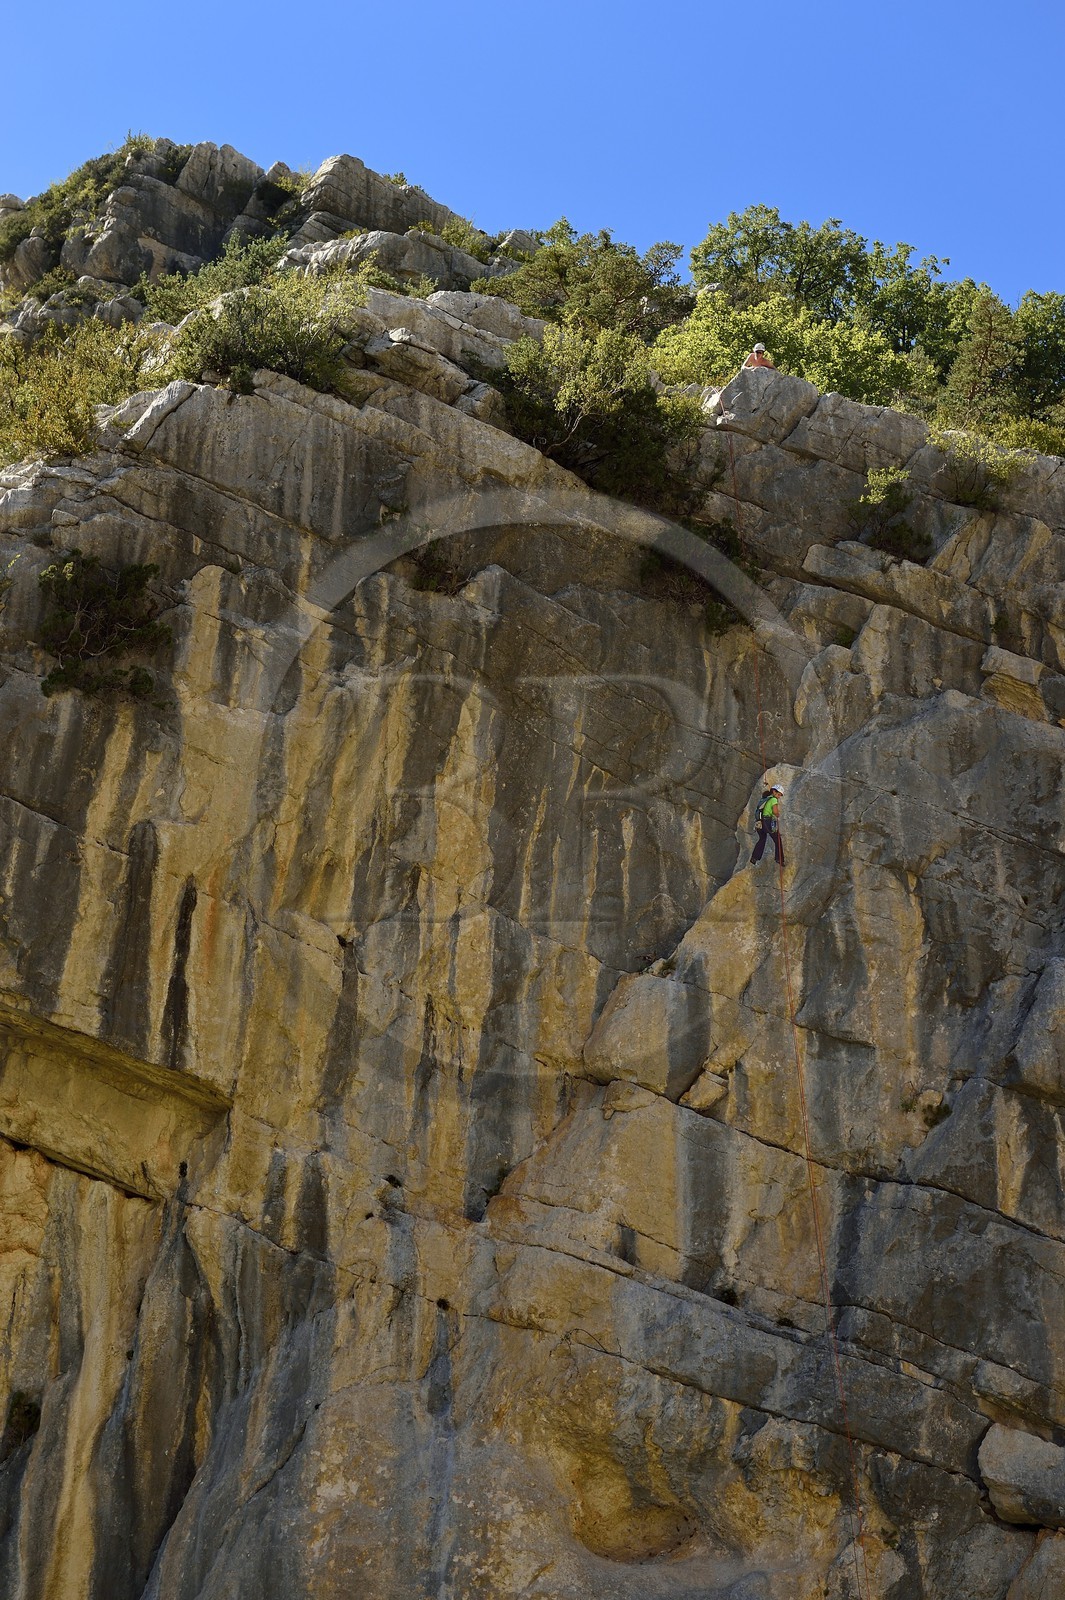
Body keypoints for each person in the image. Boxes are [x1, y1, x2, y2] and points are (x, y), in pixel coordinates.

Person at [750, 785, 785, 866]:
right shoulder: (773, 799)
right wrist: (777, 815)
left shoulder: (764, 799)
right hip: (767, 822)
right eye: (779, 794)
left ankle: (754, 857)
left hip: (759, 822)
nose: (779, 797)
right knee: (777, 839)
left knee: (762, 839)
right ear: (774, 792)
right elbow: (775, 811)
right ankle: (779, 859)